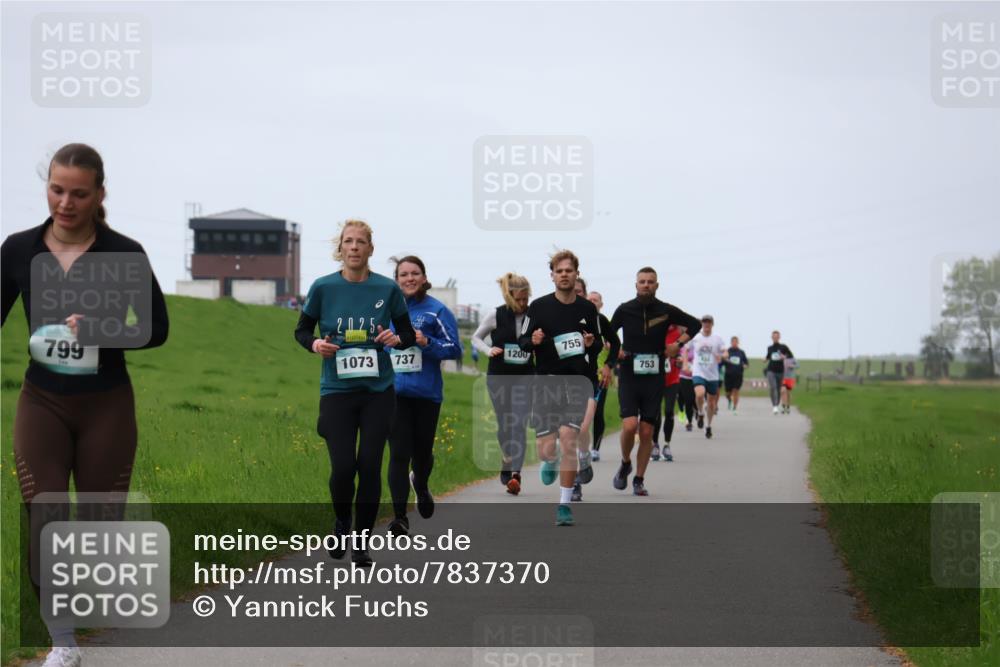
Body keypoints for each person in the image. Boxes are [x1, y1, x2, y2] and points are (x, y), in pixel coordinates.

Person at [1, 143, 170, 667]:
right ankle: (63, 644)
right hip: (41, 402)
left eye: (78, 193)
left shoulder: (124, 253)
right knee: (44, 515)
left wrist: (101, 331)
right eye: (56, 190)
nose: (65, 203)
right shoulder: (19, 249)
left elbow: (156, 329)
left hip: (106, 406)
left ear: (99, 194)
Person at [295, 219, 416, 567]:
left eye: (360, 242)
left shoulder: (387, 289)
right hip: (337, 391)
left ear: (370, 249)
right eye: (348, 241)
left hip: (378, 392)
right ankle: (341, 521)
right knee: (344, 467)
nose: (354, 247)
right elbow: (301, 331)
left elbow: (407, 334)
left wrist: (396, 338)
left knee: (370, 465)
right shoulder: (323, 287)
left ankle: (361, 542)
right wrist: (315, 344)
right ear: (340, 248)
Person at [518, 250, 600, 526]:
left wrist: (590, 344)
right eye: (559, 271)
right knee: (546, 449)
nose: (564, 274)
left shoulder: (587, 309)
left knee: (568, 439)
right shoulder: (539, 307)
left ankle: (564, 504)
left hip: (575, 382)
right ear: (552, 276)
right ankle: (549, 460)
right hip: (546, 382)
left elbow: (599, 343)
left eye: (569, 270)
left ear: (577, 274)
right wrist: (533, 340)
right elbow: (522, 341)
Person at [603, 267, 701, 496]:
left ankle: (639, 479)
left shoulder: (665, 310)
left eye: (650, 281)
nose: (646, 285)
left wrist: (677, 344)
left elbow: (694, 325)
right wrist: (614, 349)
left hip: (655, 376)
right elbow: (607, 334)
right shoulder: (625, 309)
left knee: (646, 431)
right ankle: (625, 462)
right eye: (642, 281)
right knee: (629, 426)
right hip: (629, 373)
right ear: (636, 285)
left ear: (657, 285)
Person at [386, 256, 462, 537]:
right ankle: (399, 517)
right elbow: (375, 344)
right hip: (393, 394)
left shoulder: (437, 311)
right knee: (398, 453)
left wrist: (426, 342)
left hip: (426, 395)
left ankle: (420, 483)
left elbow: (454, 349)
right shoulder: (386, 311)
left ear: (424, 277)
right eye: (404, 274)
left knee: (421, 454)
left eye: (414, 273)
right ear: (396, 280)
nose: (409, 278)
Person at [471, 272, 534, 496]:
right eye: (519, 299)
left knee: (519, 423)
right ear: (509, 297)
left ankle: (516, 474)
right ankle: (507, 458)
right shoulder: (495, 315)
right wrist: (488, 350)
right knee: (505, 424)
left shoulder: (534, 315)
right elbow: (476, 338)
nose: (523, 303)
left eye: (526, 299)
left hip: (525, 376)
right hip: (499, 376)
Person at [569, 277, 610, 502]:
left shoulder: (595, 318)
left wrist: (607, 364)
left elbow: (613, 343)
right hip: (560, 381)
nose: (575, 294)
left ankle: (579, 473)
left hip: (587, 380)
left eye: (579, 291)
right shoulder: (553, 314)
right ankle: (572, 472)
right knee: (566, 434)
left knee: (582, 428)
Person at [689, 315, 726, 439]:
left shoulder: (717, 338)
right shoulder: (696, 337)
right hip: (698, 371)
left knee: (711, 404)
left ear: (712, 324)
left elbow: (725, 352)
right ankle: (700, 412)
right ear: (702, 324)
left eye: (708, 322)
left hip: (712, 375)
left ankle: (708, 426)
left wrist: (722, 356)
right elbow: (686, 349)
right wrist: (685, 363)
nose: (706, 324)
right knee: (699, 394)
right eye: (704, 322)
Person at [651, 325, 684, 462]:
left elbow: (680, 352)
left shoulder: (677, 332)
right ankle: (655, 445)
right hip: (655, 379)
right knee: (656, 413)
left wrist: (680, 360)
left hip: (672, 379)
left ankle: (667, 444)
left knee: (669, 411)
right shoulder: (654, 330)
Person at [586, 290, 611, 463]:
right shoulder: (581, 321)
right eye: (590, 299)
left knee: (598, 412)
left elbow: (616, 345)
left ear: (601, 304)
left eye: (596, 300)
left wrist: (609, 365)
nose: (593, 302)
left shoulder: (604, 323)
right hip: (583, 374)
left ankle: (595, 448)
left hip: (600, 376)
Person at [765, 331, 794, 415]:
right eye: (773, 336)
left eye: (776, 337)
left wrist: (784, 356)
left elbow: (791, 356)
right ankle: (774, 406)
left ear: (779, 337)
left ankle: (777, 403)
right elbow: (768, 356)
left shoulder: (783, 347)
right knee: (773, 387)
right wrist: (765, 359)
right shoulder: (769, 348)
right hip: (770, 370)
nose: (775, 338)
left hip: (780, 371)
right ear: (771, 337)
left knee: (778, 389)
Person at [724, 336, 749, 414]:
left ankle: (735, 408)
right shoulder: (727, 351)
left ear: (738, 343)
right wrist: (725, 360)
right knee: (728, 393)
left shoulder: (741, 352)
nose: (734, 343)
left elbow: (746, 363)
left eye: (736, 342)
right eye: (733, 342)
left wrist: (745, 366)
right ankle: (729, 400)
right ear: (731, 342)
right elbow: (723, 361)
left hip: (738, 375)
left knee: (736, 390)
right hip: (728, 375)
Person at [678, 342, 696, 431]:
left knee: (692, 400)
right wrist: (679, 359)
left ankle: (692, 418)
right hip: (683, 376)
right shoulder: (680, 345)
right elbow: (675, 358)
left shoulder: (697, 345)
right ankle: (688, 420)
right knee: (685, 399)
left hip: (696, 377)